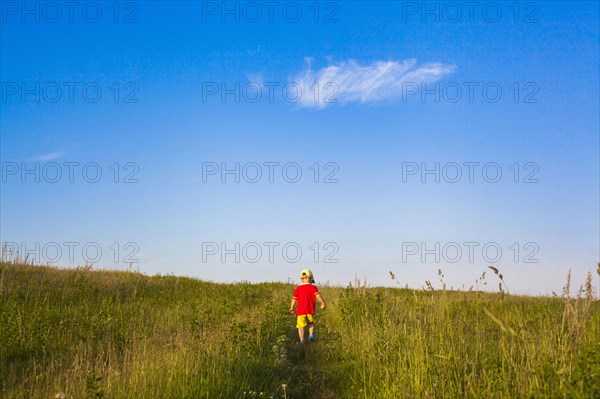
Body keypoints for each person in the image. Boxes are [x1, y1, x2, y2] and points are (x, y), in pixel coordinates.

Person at [289, 269, 326, 344]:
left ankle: (302, 340)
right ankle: (311, 335)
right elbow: (318, 295)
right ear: (311, 278)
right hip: (310, 310)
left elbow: (294, 299)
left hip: (301, 311)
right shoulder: (313, 288)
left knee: (301, 326)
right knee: (310, 324)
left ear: (302, 279)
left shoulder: (298, 288)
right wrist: (323, 303)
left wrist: (292, 307)